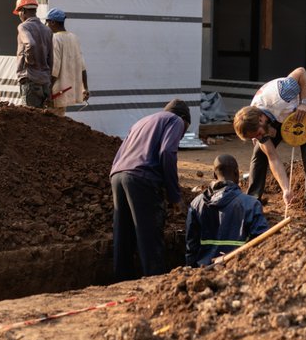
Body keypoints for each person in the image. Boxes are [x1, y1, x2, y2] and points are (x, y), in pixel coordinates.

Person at [110, 99, 191, 280]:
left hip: (117, 175)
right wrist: (175, 196)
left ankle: (120, 281)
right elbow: (167, 152)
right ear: (184, 119)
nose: (182, 135)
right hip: (142, 178)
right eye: (184, 132)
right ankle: (155, 282)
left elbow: (120, 153)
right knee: (150, 235)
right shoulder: (175, 120)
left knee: (123, 234)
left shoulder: (141, 122)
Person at [233, 67, 306, 225]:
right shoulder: (254, 122)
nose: (258, 137)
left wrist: (303, 103)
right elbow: (273, 157)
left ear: (261, 120)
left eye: (258, 134)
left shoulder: (282, 94)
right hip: (280, 115)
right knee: (259, 155)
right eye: (254, 136)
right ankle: (252, 202)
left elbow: (301, 72)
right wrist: (285, 189)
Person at [185, 154, 269, 268]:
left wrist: (191, 272)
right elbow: (263, 242)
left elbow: (191, 245)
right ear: (237, 173)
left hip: (203, 272)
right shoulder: (251, 204)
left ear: (214, 175)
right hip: (238, 271)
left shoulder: (196, 204)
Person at [45, 8, 89, 116]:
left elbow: (55, 68)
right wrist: (86, 88)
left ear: (53, 22)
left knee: (50, 124)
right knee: (60, 120)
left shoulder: (55, 38)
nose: (46, 25)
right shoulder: (74, 38)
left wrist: (48, 91)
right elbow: (82, 66)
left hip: (56, 92)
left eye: (47, 22)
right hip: (66, 91)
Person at [13, 0, 53, 108]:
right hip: (44, 81)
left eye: (19, 12)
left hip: (30, 80)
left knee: (30, 119)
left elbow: (30, 44)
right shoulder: (47, 30)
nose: (19, 16)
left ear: (23, 11)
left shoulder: (23, 27)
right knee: (40, 120)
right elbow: (51, 59)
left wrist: (29, 59)